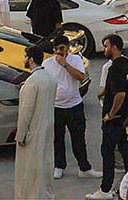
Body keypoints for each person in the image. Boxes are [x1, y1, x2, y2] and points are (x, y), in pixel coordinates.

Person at [91, 34, 128, 200]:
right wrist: (103, 93)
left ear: (114, 47)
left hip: (116, 120)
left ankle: (105, 189)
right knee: (127, 153)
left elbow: (120, 94)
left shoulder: (115, 68)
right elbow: (126, 86)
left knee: (107, 151)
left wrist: (110, 115)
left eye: (106, 46)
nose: (104, 49)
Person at [44, 34, 95, 181]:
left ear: (67, 48)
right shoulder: (48, 64)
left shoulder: (75, 59)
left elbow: (80, 77)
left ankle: (84, 167)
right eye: (57, 49)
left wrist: (65, 64)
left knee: (78, 137)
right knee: (57, 138)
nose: (60, 52)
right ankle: (59, 166)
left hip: (74, 105)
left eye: (62, 48)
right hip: (56, 106)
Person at [16, 44, 58, 200]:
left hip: (33, 131)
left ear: (31, 59)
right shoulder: (50, 79)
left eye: (26, 57)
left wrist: (21, 135)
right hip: (47, 128)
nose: (24, 59)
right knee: (45, 165)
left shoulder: (32, 82)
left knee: (29, 169)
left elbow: (26, 112)